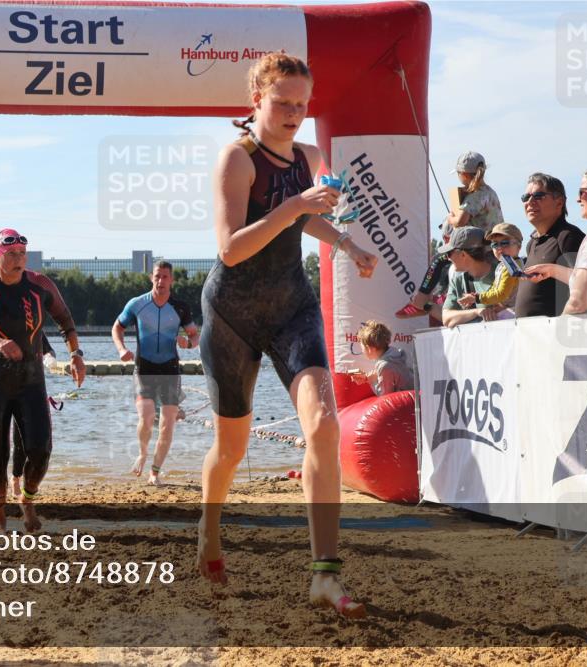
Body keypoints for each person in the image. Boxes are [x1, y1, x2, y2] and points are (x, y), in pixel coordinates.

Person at [198, 53, 377, 619]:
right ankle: (208, 530)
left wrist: (346, 244)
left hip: (291, 307)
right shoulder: (237, 158)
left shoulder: (310, 156)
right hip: (231, 313)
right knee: (232, 449)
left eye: (303, 104)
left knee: (324, 425)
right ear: (257, 98)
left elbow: (305, 219)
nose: (296, 114)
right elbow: (231, 247)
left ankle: (325, 574)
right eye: (284, 103)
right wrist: (295, 205)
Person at [0, 229, 86, 533]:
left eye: (22, 254)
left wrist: (75, 354)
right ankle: (0, 521)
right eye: (12, 255)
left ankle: (27, 500)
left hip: (31, 381)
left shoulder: (40, 284)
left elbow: (65, 321)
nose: (19, 260)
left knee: (40, 451)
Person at [112, 261, 200, 486]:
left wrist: (187, 344)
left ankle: (155, 472)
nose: (160, 281)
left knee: (167, 423)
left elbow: (194, 336)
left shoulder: (180, 308)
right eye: (157, 277)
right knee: (147, 415)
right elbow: (117, 328)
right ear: (152, 278)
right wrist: (121, 349)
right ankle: (142, 452)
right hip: (144, 368)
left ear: (172, 280)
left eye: (165, 277)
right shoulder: (137, 304)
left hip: (170, 369)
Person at [396, 151, 504, 319]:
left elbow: (460, 221)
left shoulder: (476, 195)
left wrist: (450, 217)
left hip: (480, 247)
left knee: (439, 259)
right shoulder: (490, 192)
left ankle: (419, 301)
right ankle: (440, 297)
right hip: (493, 245)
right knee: (451, 263)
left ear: (464, 175)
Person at [527, 164, 587, 313]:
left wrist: (557, 331)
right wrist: (552, 270)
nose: (578, 200)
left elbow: (578, 303)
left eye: (582, 192)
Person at [514, 173, 586, 317]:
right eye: (525, 197)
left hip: (557, 333)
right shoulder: (531, 243)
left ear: (559, 203)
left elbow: (585, 285)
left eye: (538, 196)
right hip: (530, 333)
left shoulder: (568, 236)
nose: (530, 201)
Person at [11, 334, 58, 499]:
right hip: (7, 389)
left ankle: (27, 484)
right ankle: (15, 477)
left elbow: (48, 349)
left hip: (32, 389)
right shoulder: (3, 325)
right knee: (19, 441)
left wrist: (50, 358)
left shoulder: (35, 327)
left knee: (36, 440)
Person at [456, 223, 524, 317]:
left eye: (505, 243)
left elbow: (501, 294)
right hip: (510, 309)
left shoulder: (512, 266)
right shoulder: (504, 264)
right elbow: (495, 287)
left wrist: (477, 298)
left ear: (519, 246)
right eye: (495, 244)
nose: (499, 248)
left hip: (514, 312)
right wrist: (478, 295)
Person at [439, 227, 500, 328]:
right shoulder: (458, 278)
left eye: (449, 253)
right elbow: (446, 318)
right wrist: (477, 312)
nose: (448, 258)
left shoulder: (501, 274)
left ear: (463, 254)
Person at [349, 321, 413, 395]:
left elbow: (385, 396)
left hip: (410, 401)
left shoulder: (385, 366)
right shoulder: (393, 353)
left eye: (362, 347)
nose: (362, 351)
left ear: (370, 348)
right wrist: (366, 378)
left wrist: (372, 381)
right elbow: (392, 373)